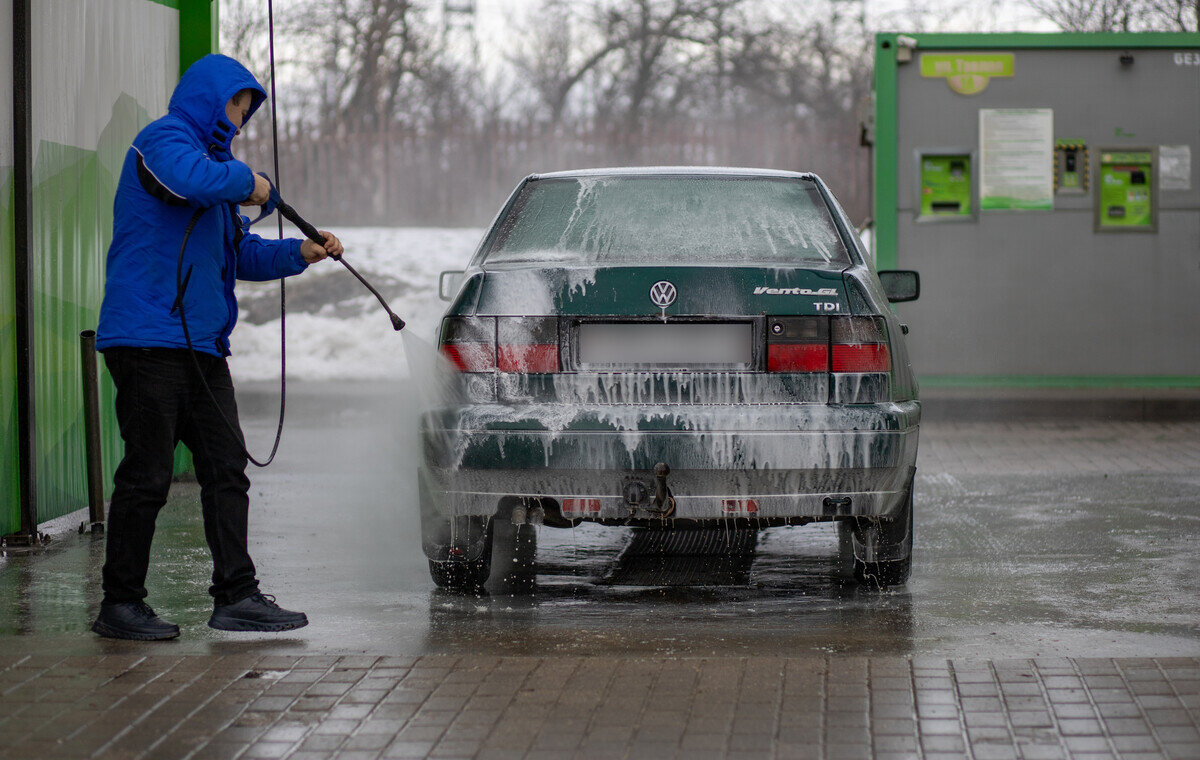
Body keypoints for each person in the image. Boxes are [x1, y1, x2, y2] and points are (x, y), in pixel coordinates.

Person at [91, 54, 342, 640]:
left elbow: (239, 255)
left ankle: (237, 596)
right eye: (238, 103)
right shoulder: (162, 143)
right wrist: (251, 184)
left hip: (200, 345)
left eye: (249, 109)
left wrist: (297, 255)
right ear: (211, 97)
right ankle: (119, 604)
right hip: (147, 339)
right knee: (147, 477)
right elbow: (188, 183)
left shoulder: (220, 168)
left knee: (226, 471)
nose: (242, 116)